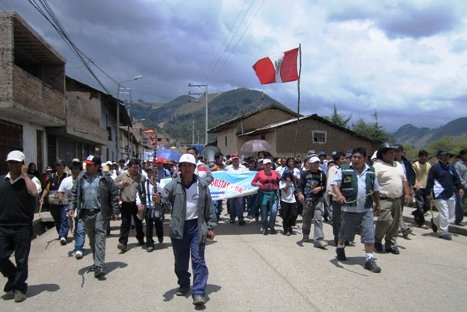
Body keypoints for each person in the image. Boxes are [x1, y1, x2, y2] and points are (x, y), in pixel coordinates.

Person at [159, 153, 216, 306]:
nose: (186, 168)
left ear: (194, 167)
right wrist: (158, 200)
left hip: (197, 227)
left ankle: (198, 292)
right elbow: (163, 203)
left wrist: (210, 226)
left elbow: (209, 206)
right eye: (183, 165)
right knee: (180, 262)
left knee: (198, 260)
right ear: (179, 168)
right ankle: (184, 284)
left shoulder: (202, 185)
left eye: (189, 165)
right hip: (179, 228)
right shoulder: (173, 185)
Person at [0, 150, 41, 302]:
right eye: (10, 162)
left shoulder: (31, 179)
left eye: (16, 163)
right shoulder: (2, 180)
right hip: (3, 226)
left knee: (21, 260)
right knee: (1, 256)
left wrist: (24, 175)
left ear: (23, 164)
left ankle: (19, 288)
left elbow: (34, 192)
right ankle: (12, 277)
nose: (12, 166)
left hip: (22, 226)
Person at [69, 155, 119, 278]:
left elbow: (113, 195)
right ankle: (96, 261)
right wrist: (71, 207)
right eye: (86, 164)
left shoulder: (105, 179)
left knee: (100, 239)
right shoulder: (81, 178)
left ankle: (99, 266)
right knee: (92, 240)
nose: (87, 166)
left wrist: (115, 211)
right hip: (86, 213)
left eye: (90, 165)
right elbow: (74, 193)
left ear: (97, 166)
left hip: (100, 213)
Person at [332, 147, 381, 273]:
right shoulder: (344, 169)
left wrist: (378, 204)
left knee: (369, 234)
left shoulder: (371, 171)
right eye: (354, 157)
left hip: (366, 209)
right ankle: (340, 247)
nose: (356, 159)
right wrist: (339, 195)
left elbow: (375, 189)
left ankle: (369, 260)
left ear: (365, 159)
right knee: (345, 233)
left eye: (359, 157)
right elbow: (335, 185)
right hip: (349, 208)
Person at [373, 143, 411, 254]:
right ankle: (377, 240)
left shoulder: (398, 165)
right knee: (385, 220)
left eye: (393, 152)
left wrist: (407, 193)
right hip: (384, 198)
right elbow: (372, 183)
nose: (392, 154)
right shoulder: (377, 166)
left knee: (395, 223)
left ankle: (391, 244)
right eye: (389, 152)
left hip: (397, 198)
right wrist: (375, 201)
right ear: (383, 154)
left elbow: (404, 180)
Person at [426, 149, 464, 240]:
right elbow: (430, 181)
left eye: (448, 155)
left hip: (450, 193)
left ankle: (435, 221)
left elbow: (456, 179)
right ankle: (443, 232)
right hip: (439, 193)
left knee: (451, 214)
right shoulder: (435, 168)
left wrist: (460, 188)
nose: (447, 157)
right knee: (445, 213)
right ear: (439, 157)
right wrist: (428, 193)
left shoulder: (451, 167)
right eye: (444, 155)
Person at [296, 156, 328, 249]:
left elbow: (326, 186)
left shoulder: (322, 174)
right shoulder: (305, 174)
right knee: (307, 218)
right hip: (307, 199)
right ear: (309, 164)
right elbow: (300, 186)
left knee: (318, 218)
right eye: (315, 163)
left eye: (318, 163)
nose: (317, 165)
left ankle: (318, 240)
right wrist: (300, 194)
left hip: (318, 199)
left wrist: (320, 188)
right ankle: (305, 234)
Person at [114, 158, 145, 252]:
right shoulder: (122, 175)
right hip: (126, 203)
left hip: (137, 204)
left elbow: (144, 190)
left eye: (137, 168)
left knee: (138, 223)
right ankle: (123, 243)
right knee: (125, 224)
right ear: (129, 167)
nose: (136, 170)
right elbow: (113, 185)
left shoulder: (141, 177)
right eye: (134, 168)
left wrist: (142, 202)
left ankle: (140, 238)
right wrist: (122, 184)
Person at [59, 159, 85, 259]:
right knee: (72, 227)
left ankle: (79, 248)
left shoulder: (84, 180)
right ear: (71, 170)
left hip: (82, 208)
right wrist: (63, 201)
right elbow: (61, 192)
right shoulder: (66, 181)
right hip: (69, 208)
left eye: (77, 169)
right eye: (74, 169)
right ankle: (77, 242)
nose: (76, 171)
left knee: (80, 228)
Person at [39, 159, 69, 245]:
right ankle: (61, 234)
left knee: (64, 219)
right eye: (57, 165)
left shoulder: (67, 176)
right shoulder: (51, 176)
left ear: (64, 166)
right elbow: (46, 189)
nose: (59, 167)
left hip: (64, 202)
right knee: (57, 219)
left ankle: (63, 236)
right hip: (53, 202)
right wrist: (42, 197)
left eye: (60, 165)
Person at [136, 166, 166, 252]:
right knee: (148, 227)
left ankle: (160, 235)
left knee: (158, 224)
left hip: (157, 208)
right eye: (149, 172)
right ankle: (149, 244)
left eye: (152, 172)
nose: (150, 174)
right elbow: (138, 194)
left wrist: (155, 185)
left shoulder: (159, 184)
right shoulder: (143, 184)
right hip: (148, 208)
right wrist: (139, 204)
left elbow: (163, 194)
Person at [251, 158, 280, 235]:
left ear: (271, 165)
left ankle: (271, 226)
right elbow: (252, 182)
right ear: (263, 165)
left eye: (269, 164)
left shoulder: (275, 173)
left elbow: (280, 180)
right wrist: (257, 184)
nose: (267, 166)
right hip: (263, 194)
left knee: (274, 211)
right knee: (264, 212)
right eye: (266, 164)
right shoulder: (259, 173)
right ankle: (264, 227)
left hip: (273, 194)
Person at [394, 144, 415, 239]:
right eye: (395, 151)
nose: (396, 153)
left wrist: (410, 187)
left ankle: (395, 226)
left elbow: (411, 175)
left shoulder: (406, 163)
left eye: (398, 151)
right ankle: (404, 227)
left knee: (400, 210)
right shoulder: (389, 163)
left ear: (402, 152)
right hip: (394, 189)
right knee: (396, 210)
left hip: (404, 189)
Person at [326, 151, 347, 245]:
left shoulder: (348, 169)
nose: (344, 160)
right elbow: (331, 184)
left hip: (347, 197)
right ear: (337, 160)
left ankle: (345, 237)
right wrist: (334, 196)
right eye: (342, 159)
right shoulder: (333, 169)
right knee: (337, 219)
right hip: (337, 198)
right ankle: (337, 237)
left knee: (346, 219)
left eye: (345, 158)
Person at [225, 153, 248, 225]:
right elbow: (224, 177)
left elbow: (247, 177)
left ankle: (241, 219)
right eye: (234, 159)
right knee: (231, 204)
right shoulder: (227, 168)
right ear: (232, 160)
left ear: (239, 160)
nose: (235, 161)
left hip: (240, 189)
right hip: (231, 189)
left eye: (236, 159)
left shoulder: (243, 168)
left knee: (240, 204)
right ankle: (232, 218)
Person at [412, 150, 431, 228]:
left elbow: (430, 177)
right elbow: (413, 176)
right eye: (422, 156)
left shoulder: (429, 165)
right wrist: (415, 186)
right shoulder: (415, 165)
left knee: (427, 206)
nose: (424, 158)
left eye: (425, 156)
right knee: (420, 205)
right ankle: (421, 222)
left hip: (427, 187)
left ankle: (416, 213)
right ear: (419, 157)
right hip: (418, 188)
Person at [279, 171, 297, 235]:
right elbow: (285, 190)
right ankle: (286, 230)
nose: (288, 177)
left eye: (289, 176)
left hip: (292, 200)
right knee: (285, 216)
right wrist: (287, 182)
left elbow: (294, 191)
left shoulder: (293, 182)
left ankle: (290, 226)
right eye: (286, 176)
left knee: (293, 215)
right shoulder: (281, 182)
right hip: (284, 201)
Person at [454, 149, 467, 226]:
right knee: (460, 204)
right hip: (461, 188)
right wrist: (464, 184)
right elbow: (458, 177)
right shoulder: (458, 165)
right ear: (462, 155)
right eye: (466, 154)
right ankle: (458, 220)